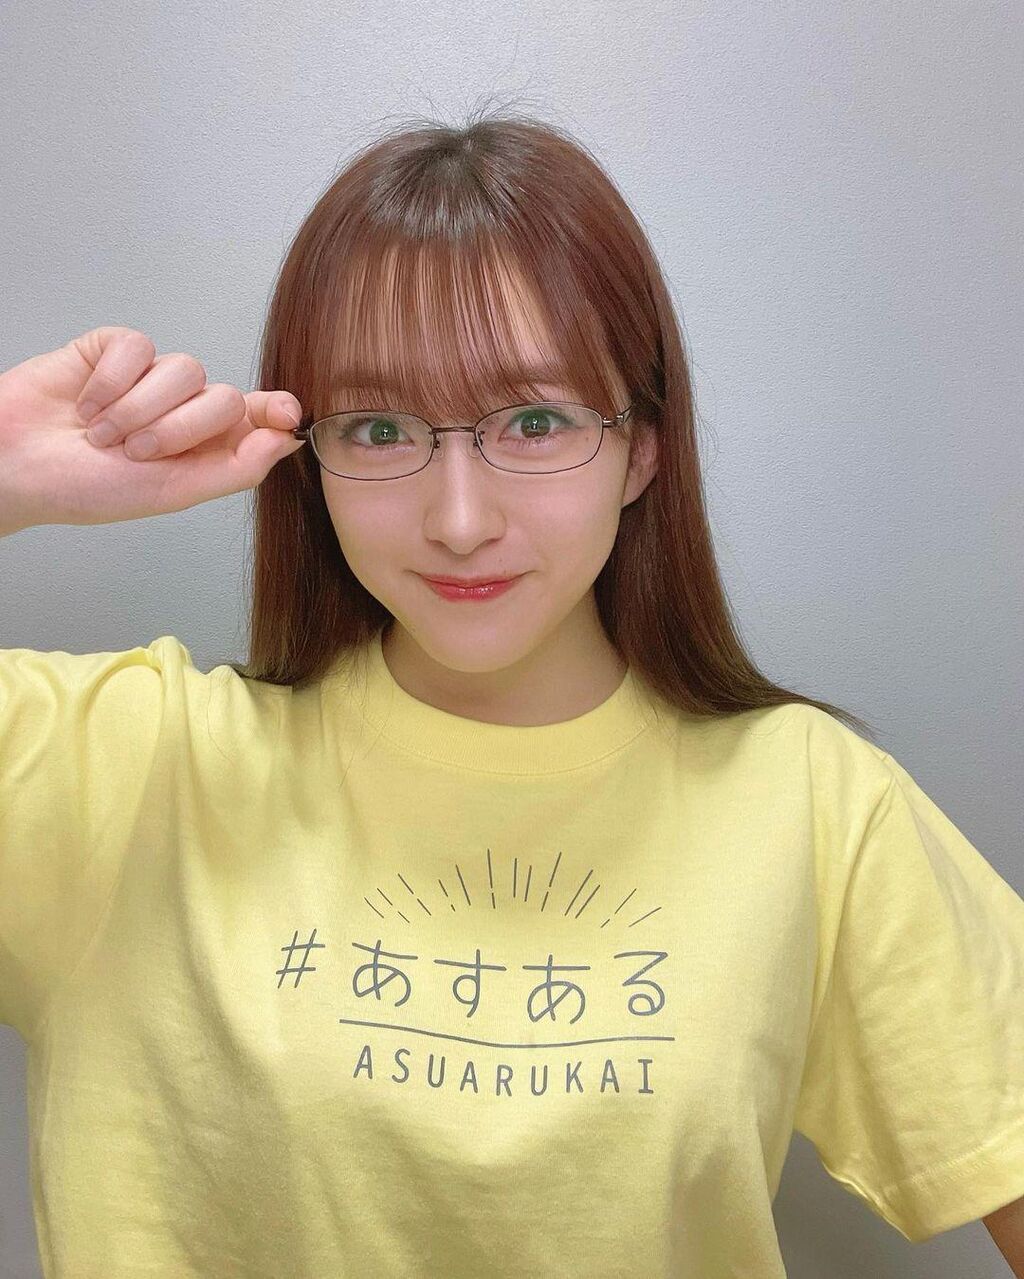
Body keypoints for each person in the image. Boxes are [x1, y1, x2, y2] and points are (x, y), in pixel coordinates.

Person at [1, 108, 1022, 1279]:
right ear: (307, 456)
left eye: (534, 421)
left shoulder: (809, 803)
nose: (458, 518)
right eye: (378, 427)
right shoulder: (122, 773)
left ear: (643, 447)